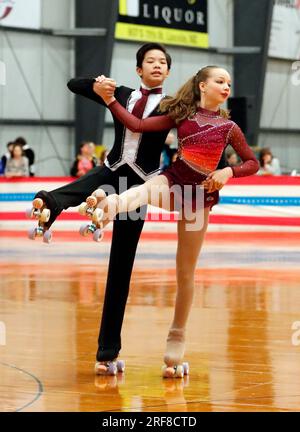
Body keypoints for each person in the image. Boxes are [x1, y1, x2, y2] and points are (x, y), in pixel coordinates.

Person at [30, 43, 227, 376]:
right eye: (150, 61)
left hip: (138, 188)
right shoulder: (119, 92)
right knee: (87, 183)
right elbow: (72, 85)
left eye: (163, 62)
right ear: (138, 70)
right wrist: (95, 85)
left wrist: (215, 166)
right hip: (111, 169)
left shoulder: (172, 106)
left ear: (167, 71)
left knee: (120, 267)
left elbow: (199, 133)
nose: (157, 65)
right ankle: (49, 203)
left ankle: (107, 352)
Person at [90, 66, 259, 377]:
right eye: (219, 81)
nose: (226, 87)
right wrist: (111, 100)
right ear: (202, 85)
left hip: (198, 198)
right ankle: (110, 205)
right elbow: (137, 124)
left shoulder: (229, 126)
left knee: (185, 274)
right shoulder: (182, 115)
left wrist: (227, 172)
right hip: (173, 182)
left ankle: (176, 338)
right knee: (145, 190)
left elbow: (253, 162)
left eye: (228, 83)